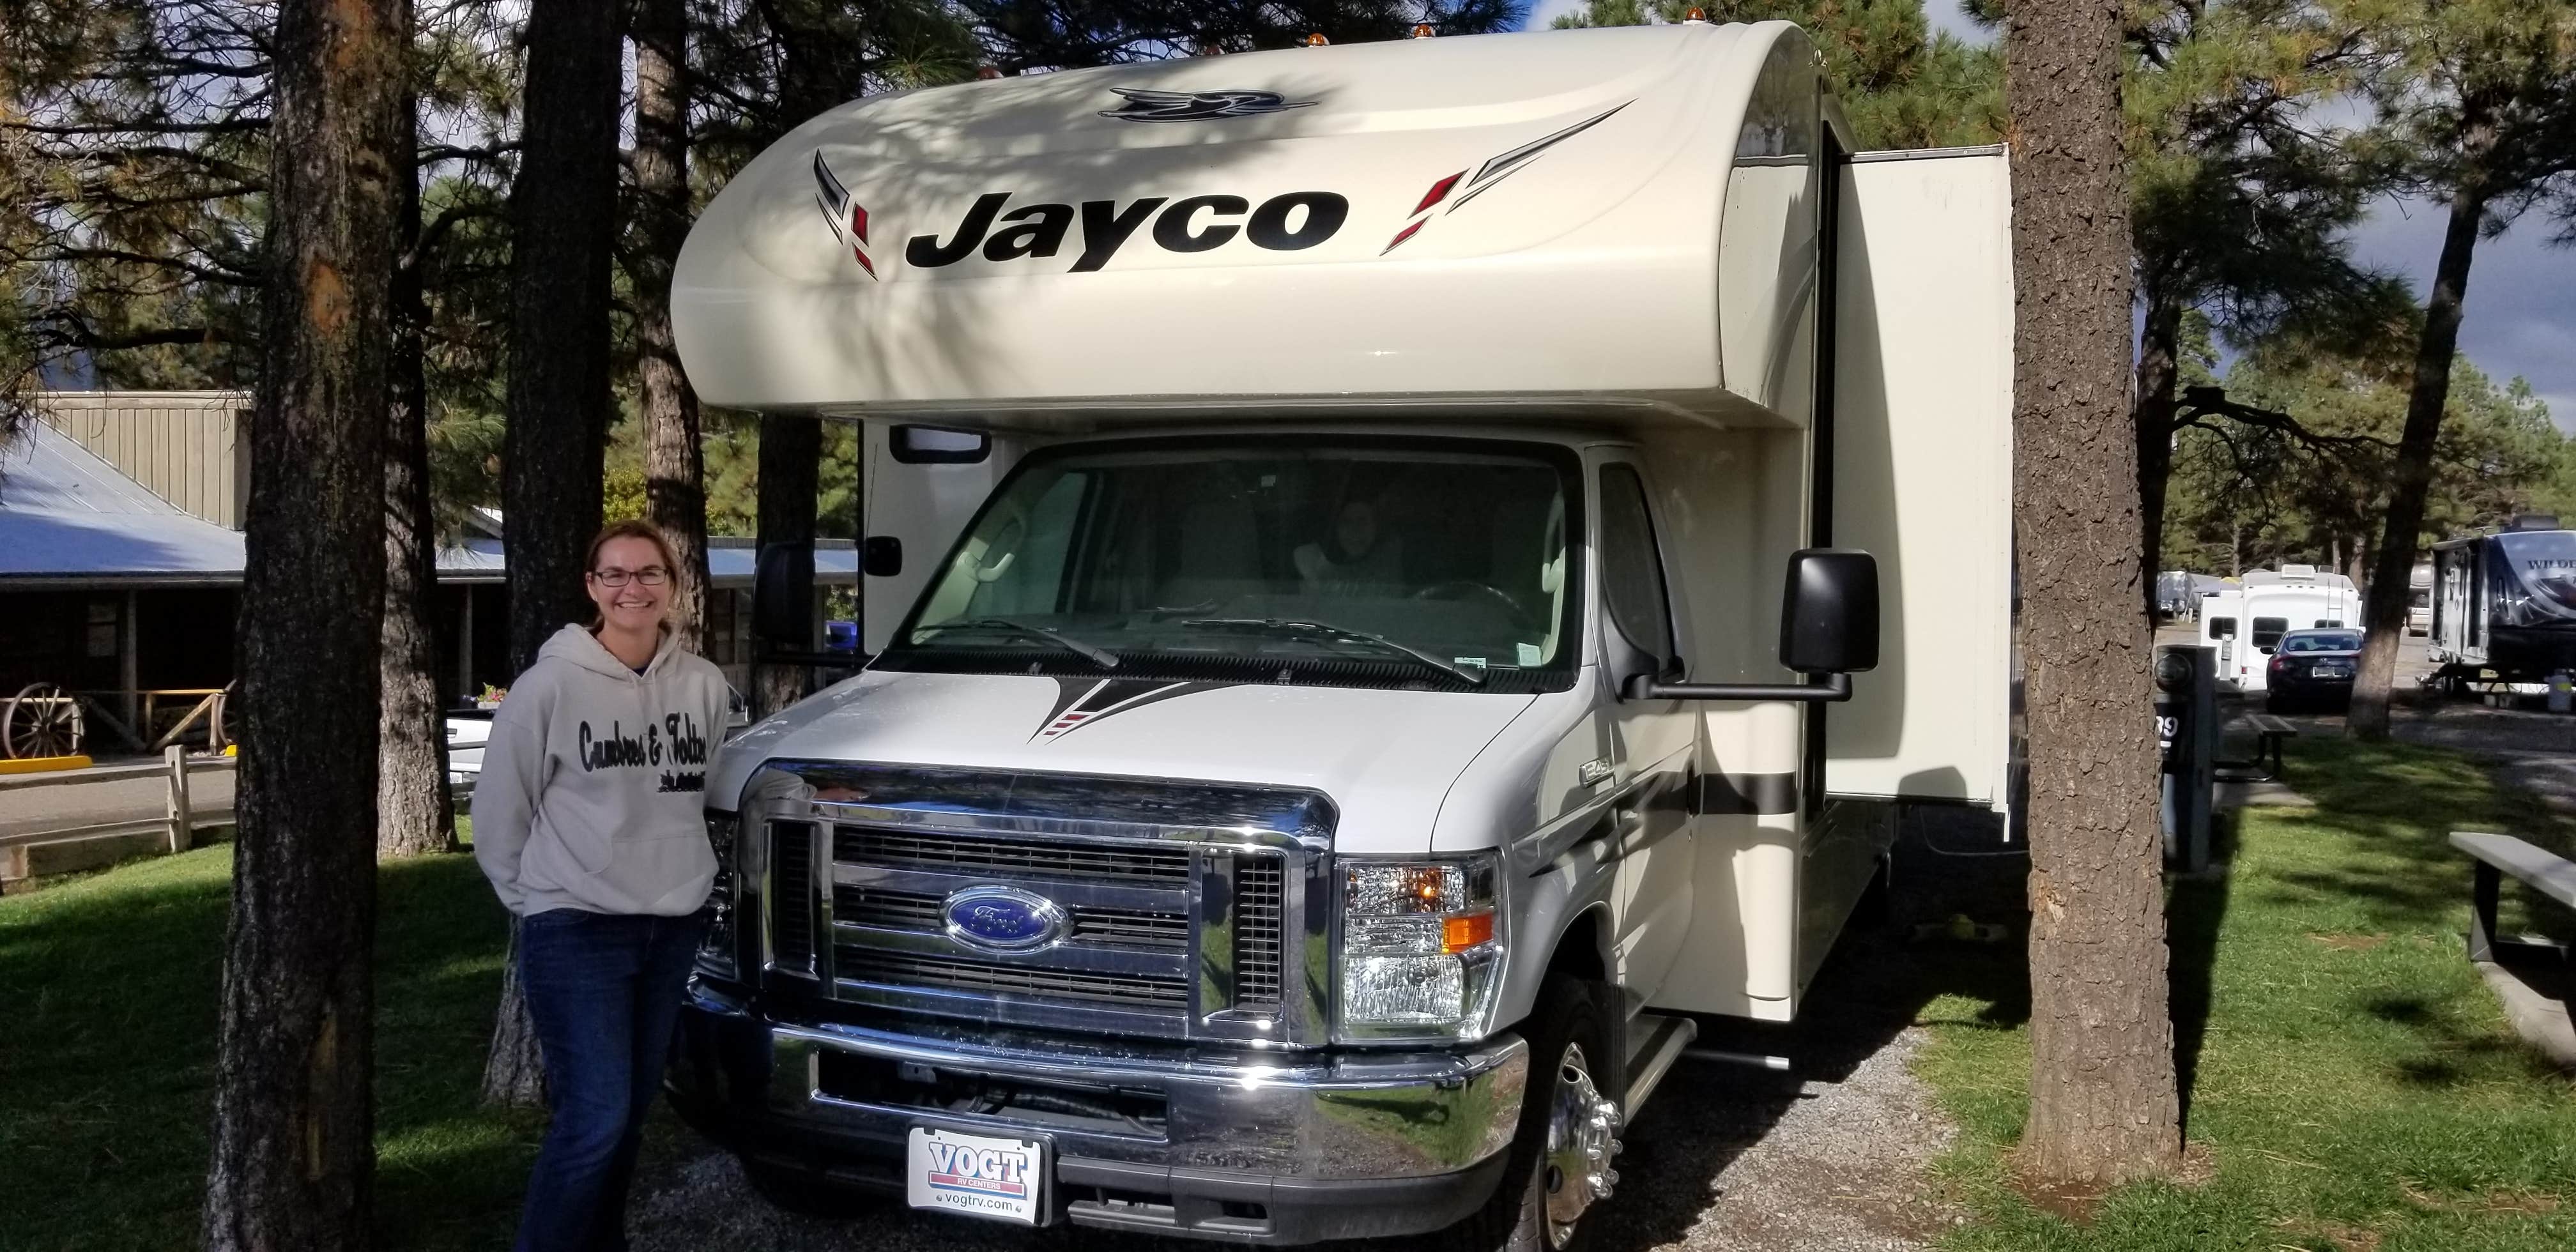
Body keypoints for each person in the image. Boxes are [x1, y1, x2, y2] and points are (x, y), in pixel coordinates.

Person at [473, 519, 736, 1251]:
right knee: (594, 1116)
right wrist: (541, 901)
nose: (633, 588)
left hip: (671, 925)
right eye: (615, 575)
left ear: (672, 587)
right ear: (592, 587)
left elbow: (707, 787)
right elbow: (500, 813)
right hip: (577, 927)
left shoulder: (705, 685)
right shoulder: (549, 685)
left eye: (649, 573)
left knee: (629, 1112)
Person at [1294, 497, 1404, 594]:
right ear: (1335, 528)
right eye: (1346, 522)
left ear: (1377, 527)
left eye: (1363, 522)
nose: (1355, 530)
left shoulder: (1393, 557)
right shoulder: (1313, 563)